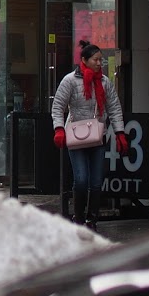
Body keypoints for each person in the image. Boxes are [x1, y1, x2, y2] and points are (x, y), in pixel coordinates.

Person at [52, 42, 129, 226]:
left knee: (96, 182)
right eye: (96, 59)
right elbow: (58, 106)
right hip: (76, 136)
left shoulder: (104, 82)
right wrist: (59, 129)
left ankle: (92, 219)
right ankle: (78, 218)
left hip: (96, 136)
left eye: (101, 60)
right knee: (81, 180)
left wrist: (120, 133)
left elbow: (114, 108)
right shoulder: (70, 80)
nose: (99, 63)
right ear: (84, 60)